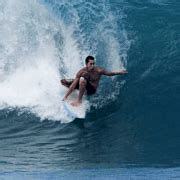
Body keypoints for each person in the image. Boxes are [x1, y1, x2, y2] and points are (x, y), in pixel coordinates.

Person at [61, 56, 128, 106]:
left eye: (93, 63)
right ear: (86, 64)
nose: (92, 65)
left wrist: (119, 72)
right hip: (84, 85)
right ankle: (75, 91)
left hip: (91, 90)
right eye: (91, 64)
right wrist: (65, 97)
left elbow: (109, 73)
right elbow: (73, 84)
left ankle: (79, 101)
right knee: (64, 82)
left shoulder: (98, 70)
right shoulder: (81, 71)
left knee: (82, 80)